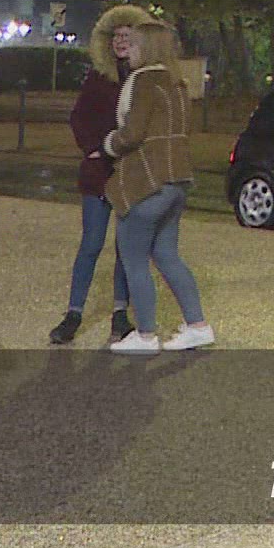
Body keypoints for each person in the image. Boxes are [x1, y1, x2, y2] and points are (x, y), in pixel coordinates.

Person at [102, 21, 212, 356]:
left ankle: (146, 335)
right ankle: (198, 326)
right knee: (166, 254)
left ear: (147, 48)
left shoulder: (144, 80)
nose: (128, 51)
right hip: (177, 179)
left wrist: (108, 144)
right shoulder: (178, 83)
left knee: (134, 258)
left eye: (134, 44)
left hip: (147, 179)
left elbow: (133, 133)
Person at [48, 4, 155, 346]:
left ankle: (120, 313)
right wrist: (93, 148)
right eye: (116, 36)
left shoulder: (146, 78)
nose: (121, 42)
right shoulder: (98, 77)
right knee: (91, 244)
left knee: (126, 247)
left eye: (128, 35)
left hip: (130, 172)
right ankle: (74, 312)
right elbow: (79, 117)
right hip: (98, 173)